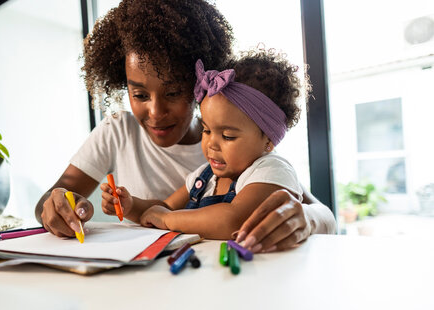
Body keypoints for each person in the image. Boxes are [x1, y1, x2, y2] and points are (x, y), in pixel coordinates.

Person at [35, 0, 336, 253]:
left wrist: (308, 218)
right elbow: (159, 209)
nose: (155, 112)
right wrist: (61, 205)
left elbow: (321, 213)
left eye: (173, 93)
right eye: (139, 95)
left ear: (199, 86)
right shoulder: (119, 132)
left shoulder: (248, 154)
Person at [101, 50, 305, 242]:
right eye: (206, 130)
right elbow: (165, 207)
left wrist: (166, 220)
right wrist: (130, 205)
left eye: (227, 136)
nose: (211, 144)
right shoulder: (204, 177)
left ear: (268, 140)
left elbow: (232, 220)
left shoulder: (271, 172)